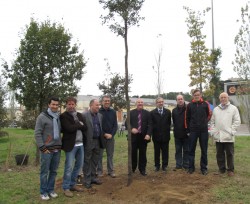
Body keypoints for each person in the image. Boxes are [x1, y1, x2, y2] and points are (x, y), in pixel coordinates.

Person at [34, 97, 62, 201]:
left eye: (56, 105)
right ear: (49, 105)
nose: (55, 106)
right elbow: (37, 133)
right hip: (46, 150)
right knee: (44, 172)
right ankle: (43, 192)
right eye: (53, 104)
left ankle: (51, 190)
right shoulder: (42, 117)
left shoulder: (58, 117)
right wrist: (42, 147)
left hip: (57, 149)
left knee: (54, 171)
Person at [60, 97, 87, 197]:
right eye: (69, 104)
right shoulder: (63, 116)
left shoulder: (79, 115)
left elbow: (85, 127)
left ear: (75, 105)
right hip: (70, 145)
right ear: (66, 105)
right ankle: (66, 187)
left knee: (79, 166)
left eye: (73, 104)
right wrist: (79, 124)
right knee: (69, 167)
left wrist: (78, 125)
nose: (71, 106)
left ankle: (72, 184)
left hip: (80, 144)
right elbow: (69, 128)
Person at [210, 92, 241, 177]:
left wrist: (232, 131)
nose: (223, 99)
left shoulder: (233, 109)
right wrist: (213, 131)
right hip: (218, 135)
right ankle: (221, 169)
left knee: (229, 154)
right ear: (219, 99)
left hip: (228, 135)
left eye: (225, 97)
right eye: (221, 97)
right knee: (219, 153)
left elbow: (237, 121)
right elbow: (212, 122)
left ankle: (230, 170)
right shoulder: (216, 109)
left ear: (228, 98)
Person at [185, 89, 212, 175]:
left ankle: (203, 168)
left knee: (204, 150)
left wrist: (204, 122)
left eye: (198, 94)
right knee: (191, 150)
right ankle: (191, 168)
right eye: (195, 95)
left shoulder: (205, 104)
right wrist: (188, 130)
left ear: (201, 95)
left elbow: (209, 115)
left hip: (203, 131)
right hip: (193, 131)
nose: (197, 96)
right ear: (193, 96)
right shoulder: (189, 105)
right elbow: (187, 118)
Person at [82, 99, 105, 189]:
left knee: (95, 161)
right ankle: (87, 180)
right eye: (96, 105)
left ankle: (92, 177)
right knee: (87, 161)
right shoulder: (84, 115)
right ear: (91, 105)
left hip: (97, 141)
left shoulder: (100, 116)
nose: (98, 106)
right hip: (88, 141)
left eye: (98, 105)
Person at [128, 98, 152, 176]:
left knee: (143, 154)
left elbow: (150, 125)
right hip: (133, 137)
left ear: (143, 103)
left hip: (143, 137)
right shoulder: (131, 113)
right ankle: (133, 168)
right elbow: (127, 124)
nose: (140, 103)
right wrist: (131, 129)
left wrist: (148, 134)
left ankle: (142, 169)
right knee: (133, 154)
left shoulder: (148, 113)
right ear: (136, 103)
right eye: (138, 102)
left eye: (141, 102)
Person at [97, 95, 118, 178]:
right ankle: (99, 171)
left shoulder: (113, 112)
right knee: (99, 155)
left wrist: (111, 134)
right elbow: (97, 125)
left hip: (110, 137)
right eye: (105, 101)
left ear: (110, 102)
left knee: (110, 155)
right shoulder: (98, 111)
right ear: (102, 102)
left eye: (108, 101)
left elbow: (115, 125)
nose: (107, 102)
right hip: (101, 137)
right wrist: (104, 134)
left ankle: (111, 171)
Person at [150, 97, 171, 172]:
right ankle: (157, 166)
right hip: (156, 136)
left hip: (165, 136)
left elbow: (169, 123)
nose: (161, 103)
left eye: (162, 102)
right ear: (156, 103)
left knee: (165, 152)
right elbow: (151, 124)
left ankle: (164, 166)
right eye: (159, 102)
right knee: (157, 152)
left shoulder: (168, 112)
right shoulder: (152, 113)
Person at [172, 94, 189, 171]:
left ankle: (186, 165)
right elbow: (174, 122)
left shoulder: (188, 109)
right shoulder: (174, 111)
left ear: (184, 100)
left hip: (186, 134)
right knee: (178, 150)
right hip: (177, 134)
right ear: (176, 101)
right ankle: (178, 165)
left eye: (181, 99)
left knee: (186, 150)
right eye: (178, 99)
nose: (180, 100)